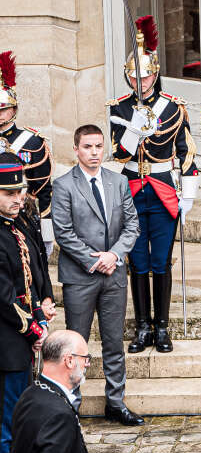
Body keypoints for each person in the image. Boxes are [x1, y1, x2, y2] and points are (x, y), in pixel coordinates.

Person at [107, 15, 198, 353]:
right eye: (134, 75)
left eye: (146, 75)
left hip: (161, 189)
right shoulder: (119, 108)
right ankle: (142, 327)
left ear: (155, 74)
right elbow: (117, 154)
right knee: (138, 263)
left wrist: (187, 195)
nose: (141, 81)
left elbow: (186, 152)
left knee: (160, 260)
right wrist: (133, 132)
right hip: (131, 188)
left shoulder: (174, 108)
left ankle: (162, 327)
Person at [51, 125, 141, 426]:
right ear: (76, 149)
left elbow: (132, 226)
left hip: (114, 274)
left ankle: (116, 403)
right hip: (80, 276)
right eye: (87, 147)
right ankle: (71, 406)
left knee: (114, 342)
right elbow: (63, 233)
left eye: (98, 146)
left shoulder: (119, 182)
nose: (93, 152)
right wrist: (95, 260)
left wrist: (113, 255)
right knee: (76, 344)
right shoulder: (64, 185)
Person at [0, 155, 51, 453]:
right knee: (7, 429)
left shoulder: (19, 224)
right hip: (6, 346)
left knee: (20, 423)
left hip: (20, 343)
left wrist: (42, 311)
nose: (18, 198)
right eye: (8, 193)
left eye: (20, 191)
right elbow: (4, 298)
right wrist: (34, 330)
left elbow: (32, 274)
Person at [0, 51, 55, 255]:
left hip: (22, 217)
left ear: (14, 110)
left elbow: (44, 193)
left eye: (4, 109)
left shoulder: (31, 141)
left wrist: (47, 233)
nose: (0, 115)